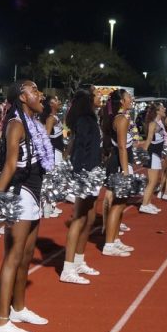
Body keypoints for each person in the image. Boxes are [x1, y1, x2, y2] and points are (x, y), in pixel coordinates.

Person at [0, 81, 53, 332]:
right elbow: (9, 165)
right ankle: (1, 321)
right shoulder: (16, 124)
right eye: (34, 90)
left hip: (35, 188)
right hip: (20, 191)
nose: (39, 94)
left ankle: (18, 308)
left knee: (26, 254)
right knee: (13, 256)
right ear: (22, 97)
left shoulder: (35, 123)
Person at [62, 87, 105, 283]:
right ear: (88, 101)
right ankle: (67, 268)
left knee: (88, 218)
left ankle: (79, 260)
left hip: (92, 171)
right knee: (78, 218)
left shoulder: (91, 120)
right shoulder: (84, 121)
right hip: (85, 173)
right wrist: (81, 175)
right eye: (96, 96)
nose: (100, 98)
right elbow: (79, 150)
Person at [101, 89, 136, 256]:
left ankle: (115, 239)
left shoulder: (123, 117)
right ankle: (108, 244)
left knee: (121, 204)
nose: (131, 99)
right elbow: (122, 147)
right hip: (119, 164)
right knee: (117, 204)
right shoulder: (121, 119)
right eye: (129, 97)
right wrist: (125, 171)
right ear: (122, 101)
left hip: (122, 161)